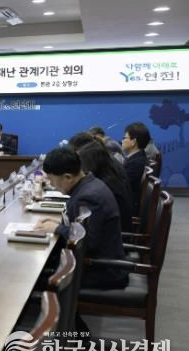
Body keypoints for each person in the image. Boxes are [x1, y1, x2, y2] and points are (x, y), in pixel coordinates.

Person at [34, 147, 128, 290]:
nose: (51, 185)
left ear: (68, 177)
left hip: (103, 271)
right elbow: (81, 227)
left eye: (52, 180)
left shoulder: (88, 197)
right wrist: (59, 223)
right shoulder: (89, 184)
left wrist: (58, 228)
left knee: (36, 282)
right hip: (94, 263)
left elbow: (86, 242)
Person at [76, 141, 133, 232]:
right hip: (115, 230)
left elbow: (91, 229)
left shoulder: (104, 185)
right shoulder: (109, 174)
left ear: (91, 164)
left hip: (116, 234)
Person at [121, 122, 150, 213]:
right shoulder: (138, 157)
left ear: (133, 142)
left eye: (124, 138)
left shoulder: (135, 164)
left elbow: (121, 186)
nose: (122, 141)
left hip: (127, 208)